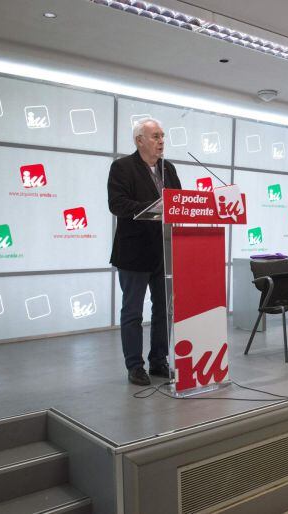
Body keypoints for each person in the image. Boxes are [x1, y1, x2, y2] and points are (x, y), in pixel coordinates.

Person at [108, 117, 182, 386]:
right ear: (139, 140)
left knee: (164, 310)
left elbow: (179, 203)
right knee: (133, 312)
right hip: (133, 253)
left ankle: (159, 360)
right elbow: (117, 204)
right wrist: (154, 207)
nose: (161, 141)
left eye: (162, 135)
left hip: (164, 251)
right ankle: (134, 366)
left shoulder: (169, 169)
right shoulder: (122, 167)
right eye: (155, 136)